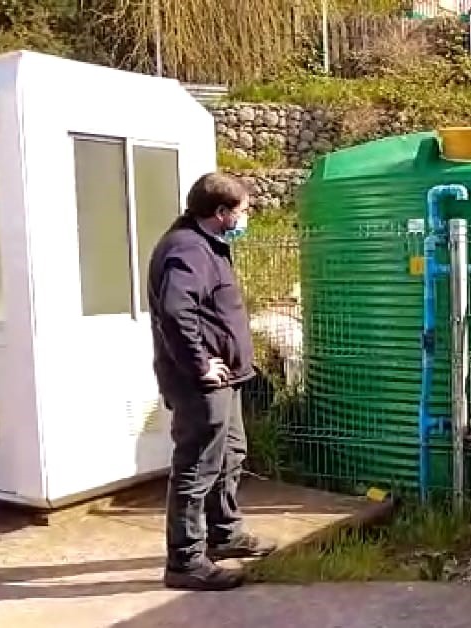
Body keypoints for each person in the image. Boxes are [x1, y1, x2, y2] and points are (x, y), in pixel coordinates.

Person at [148, 172, 275, 591]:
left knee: (230, 454)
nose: (247, 216)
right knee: (198, 465)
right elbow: (175, 311)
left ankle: (225, 534)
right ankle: (185, 561)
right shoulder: (187, 250)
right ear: (220, 213)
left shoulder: (207, 245)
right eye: (242, 210)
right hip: (201, 383)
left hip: (227, 378)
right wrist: (200, 364)